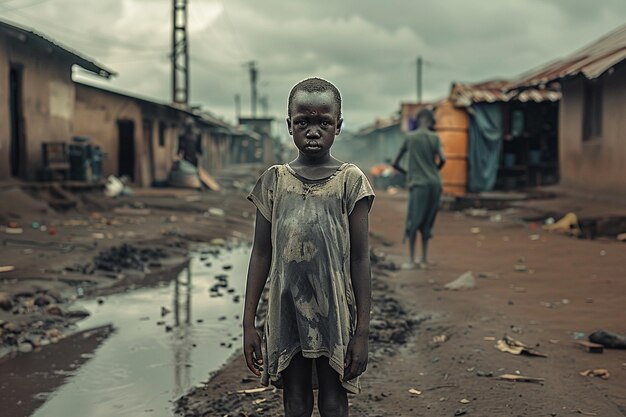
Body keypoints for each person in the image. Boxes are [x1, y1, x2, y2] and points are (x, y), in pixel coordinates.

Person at [243, 77, 375, 417]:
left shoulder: (350, 181)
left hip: (333, 311)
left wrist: (361, 331)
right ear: (289, 126)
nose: (313, 131)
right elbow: (261, 253)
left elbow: (360, 258)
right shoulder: (274, 181)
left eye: (323, 122)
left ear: (338, 126)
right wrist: (248, 323)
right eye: (303, 122)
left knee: (333, 398)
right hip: (286, 309)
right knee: (295, 399)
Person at [392, 108, 446, 269]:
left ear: (419, 120)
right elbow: (443, 159)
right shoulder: (435, 137)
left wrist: (408, 174)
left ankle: (411, 259)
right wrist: (434, 170)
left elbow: (396, 163)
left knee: (414, 221)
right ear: (430, 121)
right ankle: (424, 259)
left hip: (418, 184)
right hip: (435, 184)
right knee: (427, 222)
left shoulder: (410, 137)